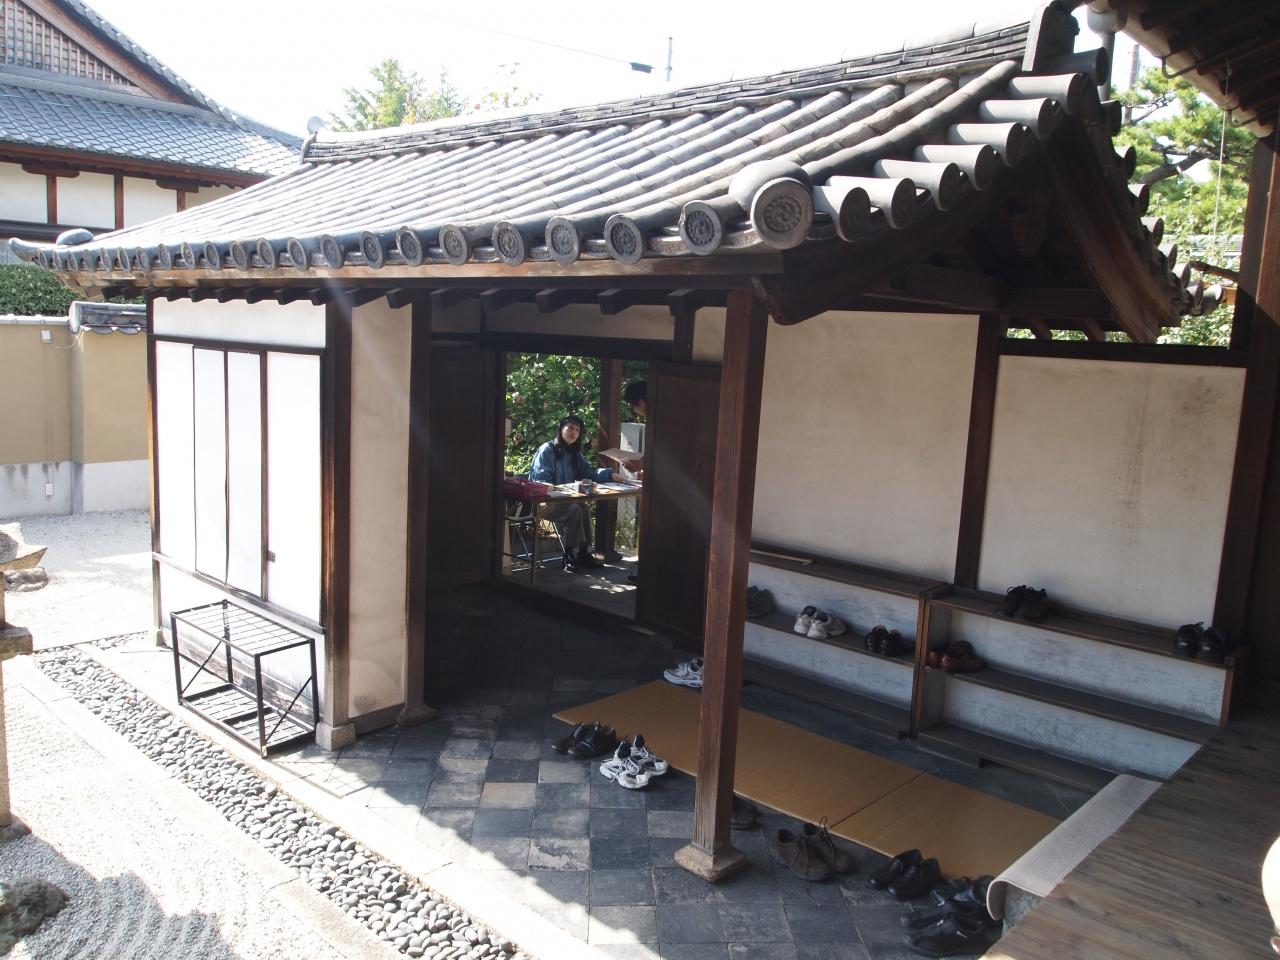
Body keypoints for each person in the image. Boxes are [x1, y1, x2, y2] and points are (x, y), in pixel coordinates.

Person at [529, 415, 616, 572]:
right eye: (570, 428)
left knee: (582, 507)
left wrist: (611, 474)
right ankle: (569, 555)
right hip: (542, 503)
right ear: (561, 428)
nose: (574, 432)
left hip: (564, 502)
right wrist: (566, 490)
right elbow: (541, 483)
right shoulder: (546, 450)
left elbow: (590, 473)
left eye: (577, 430)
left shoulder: (575, 454)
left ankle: (584, 553)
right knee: (575, 508)